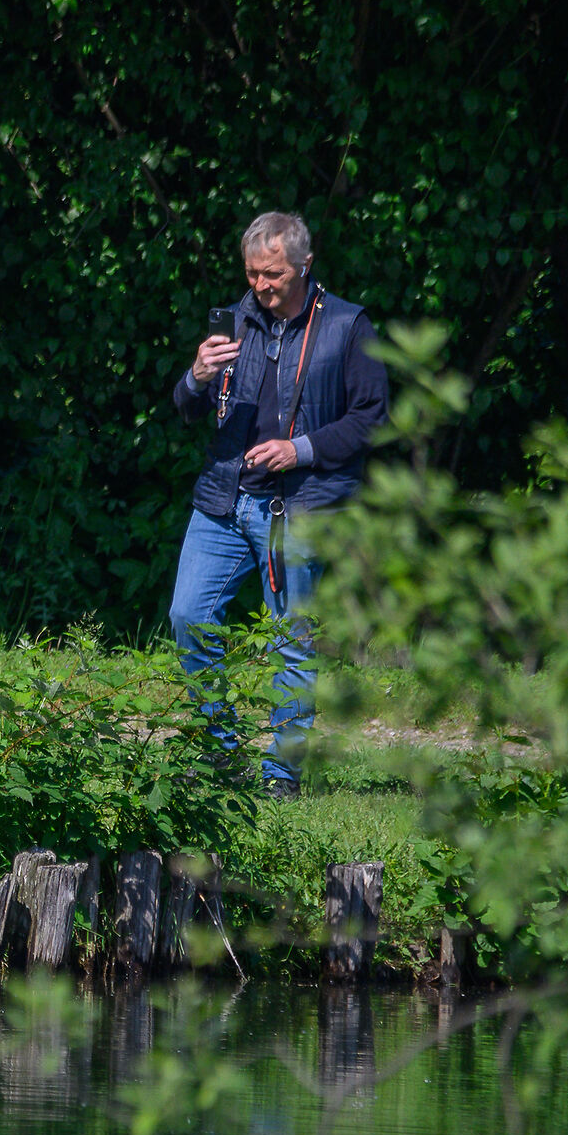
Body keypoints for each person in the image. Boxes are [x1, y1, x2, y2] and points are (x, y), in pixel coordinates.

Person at [169, 212, 388, 800]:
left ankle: (281, 775)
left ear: (305, 265)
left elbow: (372, 418)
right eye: (252, 274)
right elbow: (187, 408)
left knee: (292, 641)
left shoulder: (348, 326)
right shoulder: (236, 319)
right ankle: (220, 752)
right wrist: (196, 376)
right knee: (188, 615)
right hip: (223, 498)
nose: (261, 286)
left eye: (273, 274)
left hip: (299, 505)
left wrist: (300, 449)